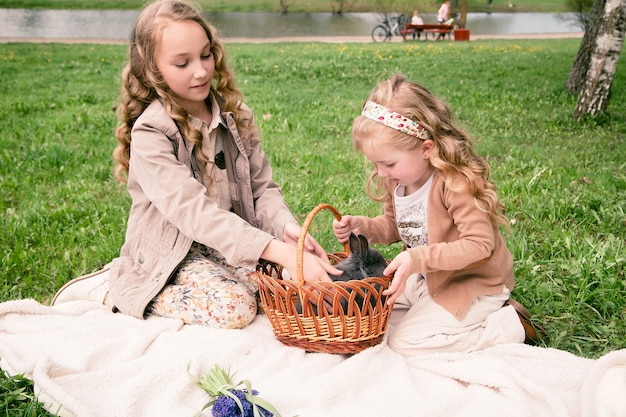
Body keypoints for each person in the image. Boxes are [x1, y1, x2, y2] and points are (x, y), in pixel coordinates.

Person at [101, 0, 340, 328]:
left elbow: (262, 188)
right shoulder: (153, 131)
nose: (200, 71)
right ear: (152, 69)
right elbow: (195, 213)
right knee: (237, 307)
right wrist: (276, 251)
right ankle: (127, 289)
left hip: (226, 246)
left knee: (279, 287)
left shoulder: (235, 115)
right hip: (172, 256)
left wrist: (287, 230)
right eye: (182, 63)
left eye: (205, 55)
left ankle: (236, 277)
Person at [332, 74, 527, 356]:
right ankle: (436, 316)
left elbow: (480, 245)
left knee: (405, 343)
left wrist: (417, 259)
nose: (382, 173)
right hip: (428, 278)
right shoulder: (398, 179)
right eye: (376, 164)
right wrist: (363, 226)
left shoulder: (454, 184)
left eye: (388, 163)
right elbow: (395, 226)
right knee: (374, 313)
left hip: (471, 283)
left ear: (426, 148)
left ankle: (506, 326)